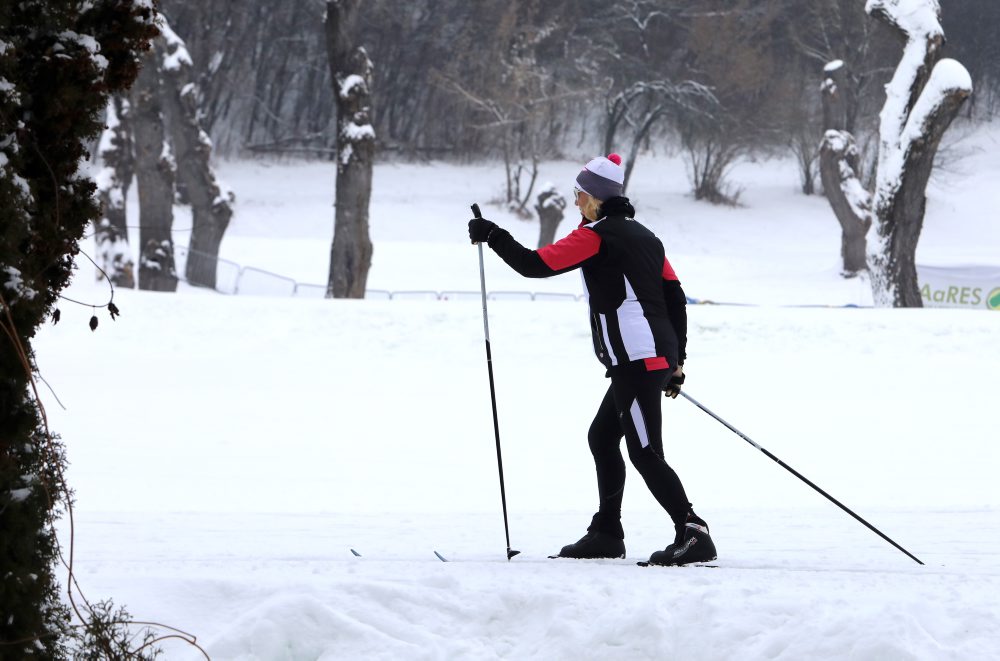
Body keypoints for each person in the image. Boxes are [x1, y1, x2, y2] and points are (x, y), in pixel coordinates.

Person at [467, 153, 716, 566]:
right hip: (645, 359)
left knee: (644, 452)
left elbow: (534, 265)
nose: (575, 202)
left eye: (578, 194)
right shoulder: (647, 237)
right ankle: (607, 532)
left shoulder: (597, 236)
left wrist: (491, 234)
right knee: (602, 437)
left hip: (637, 360)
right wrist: (676, 361)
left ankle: (692, 531)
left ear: (596, 198)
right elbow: (674, 297)